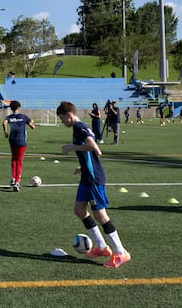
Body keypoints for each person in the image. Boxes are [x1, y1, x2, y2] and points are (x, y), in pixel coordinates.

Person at [56, 100, 130, 269]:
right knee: (79, 210)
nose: (62, 122)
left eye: (62, 119)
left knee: (101, 216)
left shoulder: (79, 127)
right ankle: (102, 247)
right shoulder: (80, 127)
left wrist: (70, 147)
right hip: (87, 176)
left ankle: (121, 252)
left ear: (68, 115)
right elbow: (92, 152)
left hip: (94, 178)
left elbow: (94, 147)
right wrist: (82, 167)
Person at [2, 100, 34, 191]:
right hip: (21, 141)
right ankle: (17, 181)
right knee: (19, 161)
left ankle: (13, 179)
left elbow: (4, 122)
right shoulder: (23, 117)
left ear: (11, 108)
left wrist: (5, 132)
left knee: (14, 159)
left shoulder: (9, 117)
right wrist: (32, 122)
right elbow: (33, 127)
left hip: (12, 140)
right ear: (18, 108)